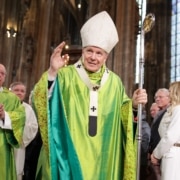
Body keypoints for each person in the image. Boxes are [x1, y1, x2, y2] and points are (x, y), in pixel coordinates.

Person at [32, 11, 147, 180]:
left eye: (99, 53)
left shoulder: (114, 83)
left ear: (106, 56)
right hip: (71, 153)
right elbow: (41, 101)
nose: (93, 57)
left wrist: (134, 105)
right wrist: (52, 72)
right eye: (89, 51)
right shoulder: (65, 75)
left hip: (104, 156)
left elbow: (123, 116)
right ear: (83, 51)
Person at [0, 64, 25, 180]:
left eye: (2, 73)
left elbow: (20, 117)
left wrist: (5, 115)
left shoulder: (12, 98)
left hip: (2, 146)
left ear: (5, 77)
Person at [151, 81, 180, 180]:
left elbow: (170, 136)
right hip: (168, 152)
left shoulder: (178, 110)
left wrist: (156, 154)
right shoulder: (173, 109)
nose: (169, 94)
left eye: (171, 91)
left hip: (173, 154)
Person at [9, 82, 39, 180]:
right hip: (3, 144)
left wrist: (18, 128)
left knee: (16, 171)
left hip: (19, 146)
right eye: (16, 90)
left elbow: (33, 127)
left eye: (22, 91)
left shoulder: (28, 109)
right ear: (10, 91)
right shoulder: (4, 104)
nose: (19, 93)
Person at [147, 88, 170, 180]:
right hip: (156, 154)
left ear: (169, 97)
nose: (157, 99)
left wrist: (157, 153)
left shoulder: (170, 112)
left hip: (163, 154)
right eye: (156, 97)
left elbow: (166, 135)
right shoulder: (160, 113)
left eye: (160, 97)